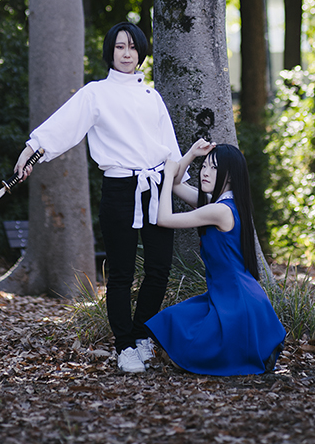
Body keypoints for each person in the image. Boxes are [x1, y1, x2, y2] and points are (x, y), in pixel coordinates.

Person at [14, 21, 187, 375]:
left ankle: (142, 336)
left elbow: (171, 152)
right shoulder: (95, 93)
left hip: (156, 187)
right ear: (110, 51)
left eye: (133, 47)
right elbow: (64, 126)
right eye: (120, 47)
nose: (127, 53)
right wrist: (32, 151)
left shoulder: (152, 96)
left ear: (141, 52)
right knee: (121, 273)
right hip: (120, 189)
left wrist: (190, 185)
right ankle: (124, 346)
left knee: (159, 269)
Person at [145, 141, 286, 375]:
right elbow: (179, 185)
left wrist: (167, 175)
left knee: (183, 342)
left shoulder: (219, 211)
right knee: (172, 321)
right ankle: (256, 349)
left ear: (230, 176)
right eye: (204, 166)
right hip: (227, 295)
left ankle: (256, 350)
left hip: (236, 300)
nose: (205, 172)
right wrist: (191, 154)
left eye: (214, 168)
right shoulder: (221, 205)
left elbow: (164, 219)